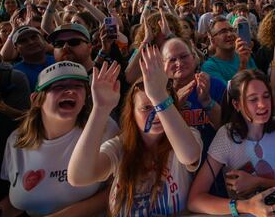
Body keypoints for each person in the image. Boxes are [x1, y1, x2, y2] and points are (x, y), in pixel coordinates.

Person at [68, 46, 203, 216]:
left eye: (160, 106)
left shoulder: (188, 134)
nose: (156, 114)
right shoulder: (120, 146)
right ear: (132, 113)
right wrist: (100, 109)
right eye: (146, 107)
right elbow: (78, 177)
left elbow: (190, 155)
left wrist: (159, 95)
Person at [0, 61, 119, 217]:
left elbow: (115, 190)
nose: (70, 91)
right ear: (36, 99)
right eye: (58, 86)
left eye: (78, 86)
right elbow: (22, 200)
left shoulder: (103, 127)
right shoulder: (16, 140)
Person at [188, 69, 275, 216]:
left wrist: (257, 182)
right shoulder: (226, 137)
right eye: (253, 99)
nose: (262, 104)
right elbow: (195, 200)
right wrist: (246, 206)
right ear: (237, 105)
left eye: (266, 96)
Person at [201, 17, 256, 83]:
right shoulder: (209, 67)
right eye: (223, 32)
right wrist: (243, 65)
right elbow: (228, 92)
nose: (230, 34)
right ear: (213, 40)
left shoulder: (244, 55)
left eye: (232, 30)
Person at [10, 26, 54, 92]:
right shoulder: (15, 73)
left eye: (34, 37)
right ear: (16, 48)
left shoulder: (59, 60)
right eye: (23, 41)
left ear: (43, 40)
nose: (31, 42)